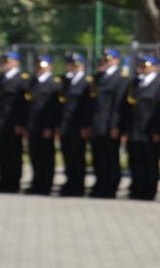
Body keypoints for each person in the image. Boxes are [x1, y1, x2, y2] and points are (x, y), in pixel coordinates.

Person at [91, 48, 130, 198]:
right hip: (98, 123)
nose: (106, 62)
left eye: (109, 59)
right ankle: (101, 183)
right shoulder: (99, 77)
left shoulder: (121, 79)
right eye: (104, 59)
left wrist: (115, 125)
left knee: (111, 157)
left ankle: (111, 186)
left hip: (109, 124)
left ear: (116, 60)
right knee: (99, 156)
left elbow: (118, 105)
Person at [126, 55, 160, 201]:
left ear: (154, 67)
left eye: (145, 66)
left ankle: (150, 190)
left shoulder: (159, 85)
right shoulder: (136, 83)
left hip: (149, 130)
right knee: (136, 161)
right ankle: (137, 188)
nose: (141, 68)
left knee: (150, 162)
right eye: (140, 65)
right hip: (135, 129)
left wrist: (157, 131)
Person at [25, 55, 61, 195]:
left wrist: (50, 127)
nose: (40, 68)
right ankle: (36, 183)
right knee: (35, 155)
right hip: (33, 125)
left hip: (45, 126)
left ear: (50, 67)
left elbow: (54, 109)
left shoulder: (54, 83)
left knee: (47, 156)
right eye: (38, 66)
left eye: (43, 66)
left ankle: (46, 184)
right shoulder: (32, 82)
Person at [59, 53, 93, 197]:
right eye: (70, 64)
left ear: (82, 66)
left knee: (78, 156)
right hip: (65, 125)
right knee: (67, 155)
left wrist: (86, 126)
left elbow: (87, 107)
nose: (72, 67)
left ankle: (78, 185)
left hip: (78, 126)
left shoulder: (86, 83)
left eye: (76, 65)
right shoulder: (65, 81)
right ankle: (70, 182)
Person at [0, 52, 29, 193]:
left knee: (14, 153)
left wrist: (21, 123)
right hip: (2, 122)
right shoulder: (2, 78)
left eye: (7, 61)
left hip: (14, 123)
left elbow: (23, 105)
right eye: (3, 62)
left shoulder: (22, 80)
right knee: (3, 153)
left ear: (16, 62)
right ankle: (4, 180)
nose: (4, 64)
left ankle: (14, 182)